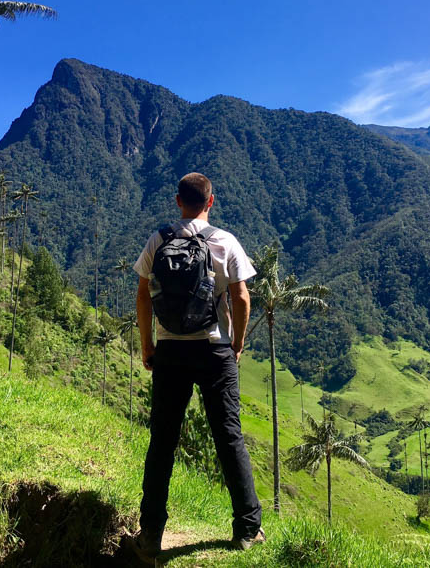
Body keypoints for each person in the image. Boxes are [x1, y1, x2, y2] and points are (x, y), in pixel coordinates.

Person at [126, 172, 264, 565]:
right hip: (214, 350)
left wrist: (148, 345)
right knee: (229, 437)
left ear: (177, 201)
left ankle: (151, 534)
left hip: (170, 351)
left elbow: (142, 296)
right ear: (210, 201)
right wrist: (236, 344)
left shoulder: (159, 239)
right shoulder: (225, 241)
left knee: (163, 441)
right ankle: (247, 529)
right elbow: (241, 297)